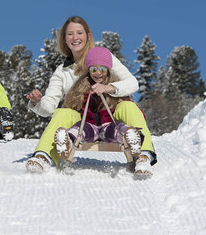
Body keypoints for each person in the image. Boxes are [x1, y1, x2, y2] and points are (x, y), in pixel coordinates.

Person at [25, 16, 140, 172]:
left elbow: (132, 83)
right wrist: (37, 102)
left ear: (88, 36)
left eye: (79, 33)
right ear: (64, 39)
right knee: (62, 113)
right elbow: (49, 107)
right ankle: (43, 156)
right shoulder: (62, 71)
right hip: (82, 122)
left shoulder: (104, 58)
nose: (75, 38)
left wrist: (110, 88)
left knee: (129, 107)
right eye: (70, 34)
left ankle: (143, 154)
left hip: (111, 116)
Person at [53, 47, 156, 176]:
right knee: (78, 129)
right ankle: (67, 140)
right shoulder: (82, 87)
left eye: (102, 69)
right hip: (89, 125)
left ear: (108, 70)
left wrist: (108, 89)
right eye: (93, 69)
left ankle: (133, 139)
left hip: (109, 125)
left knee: (120, 128)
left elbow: (129, 103)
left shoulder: (115, 86)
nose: (98, 73)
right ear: (88, 70)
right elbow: (71, 105)